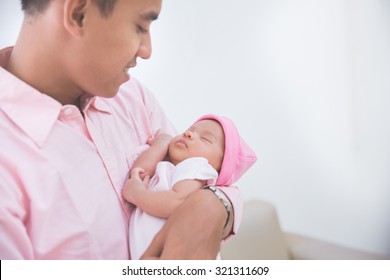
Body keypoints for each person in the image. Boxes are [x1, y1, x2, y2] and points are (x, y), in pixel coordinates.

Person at [0, 0, 246, 259]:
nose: (147, 50)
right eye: (140, 27)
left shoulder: (131, 96)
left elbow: (214, 170)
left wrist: (214, 207)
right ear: (78, 14)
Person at [123, 114, 257, 259]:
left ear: (219, 166)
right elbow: (140, 173)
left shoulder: (197, 166)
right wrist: (161, 144)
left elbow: (177, 202)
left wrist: (137, 194)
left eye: (205, 139)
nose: (189, 134)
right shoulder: (172, 169)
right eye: (189, 130)